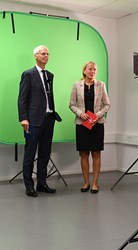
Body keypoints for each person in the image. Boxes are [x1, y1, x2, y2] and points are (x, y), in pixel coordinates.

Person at [18, 45, 61, 197]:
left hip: (49, 120)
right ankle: (29, 186)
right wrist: (23, 118)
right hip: (33, 121)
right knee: (30, 154)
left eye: (48, 54)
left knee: (44, 153)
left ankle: (42, 183)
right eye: (43, 53)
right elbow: (22, 98)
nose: (46, 56)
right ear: (35, 55)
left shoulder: (50, 75)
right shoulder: (28, 74)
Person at [69, 61, 110, 194]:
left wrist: (97, 116)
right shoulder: (77, 85)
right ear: (84, 71)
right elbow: (71, 104)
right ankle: (86, 182)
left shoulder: (101, 85)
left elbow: (107, 104)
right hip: (82, 124)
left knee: (96, 153)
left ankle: (95, 183)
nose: (93, 71)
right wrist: (81, 114)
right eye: (90, 69)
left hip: (96, 124)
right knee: (84, 154)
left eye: (95, 69)